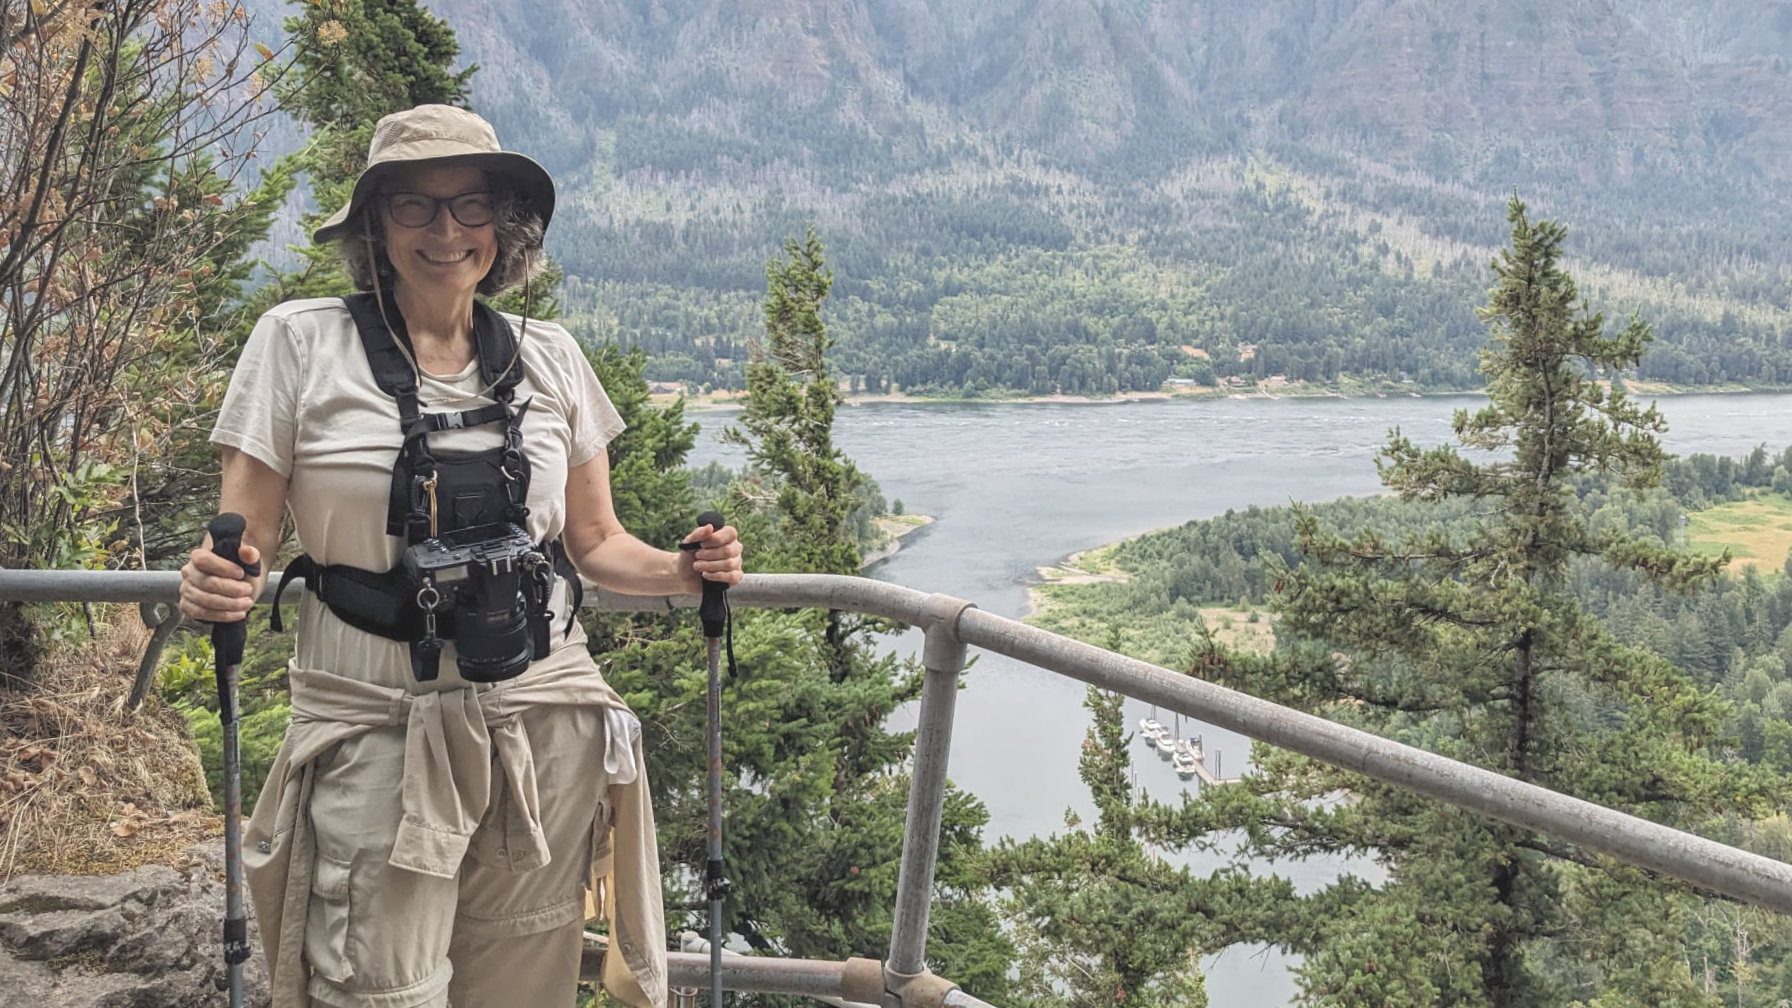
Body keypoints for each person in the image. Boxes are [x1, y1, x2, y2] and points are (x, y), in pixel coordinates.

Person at [176, 104, 741, 1008]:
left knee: (523, 983)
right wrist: (214, 579)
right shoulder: (297, 343)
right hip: (373, 724)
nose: (446, 232)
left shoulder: (551, 355)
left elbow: (595, 543)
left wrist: (685, 570)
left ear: (503, 225)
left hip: (541, 721)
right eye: (414, 206)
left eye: (470, 206)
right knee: (375, 986)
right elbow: (244, 537)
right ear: (375, 226)